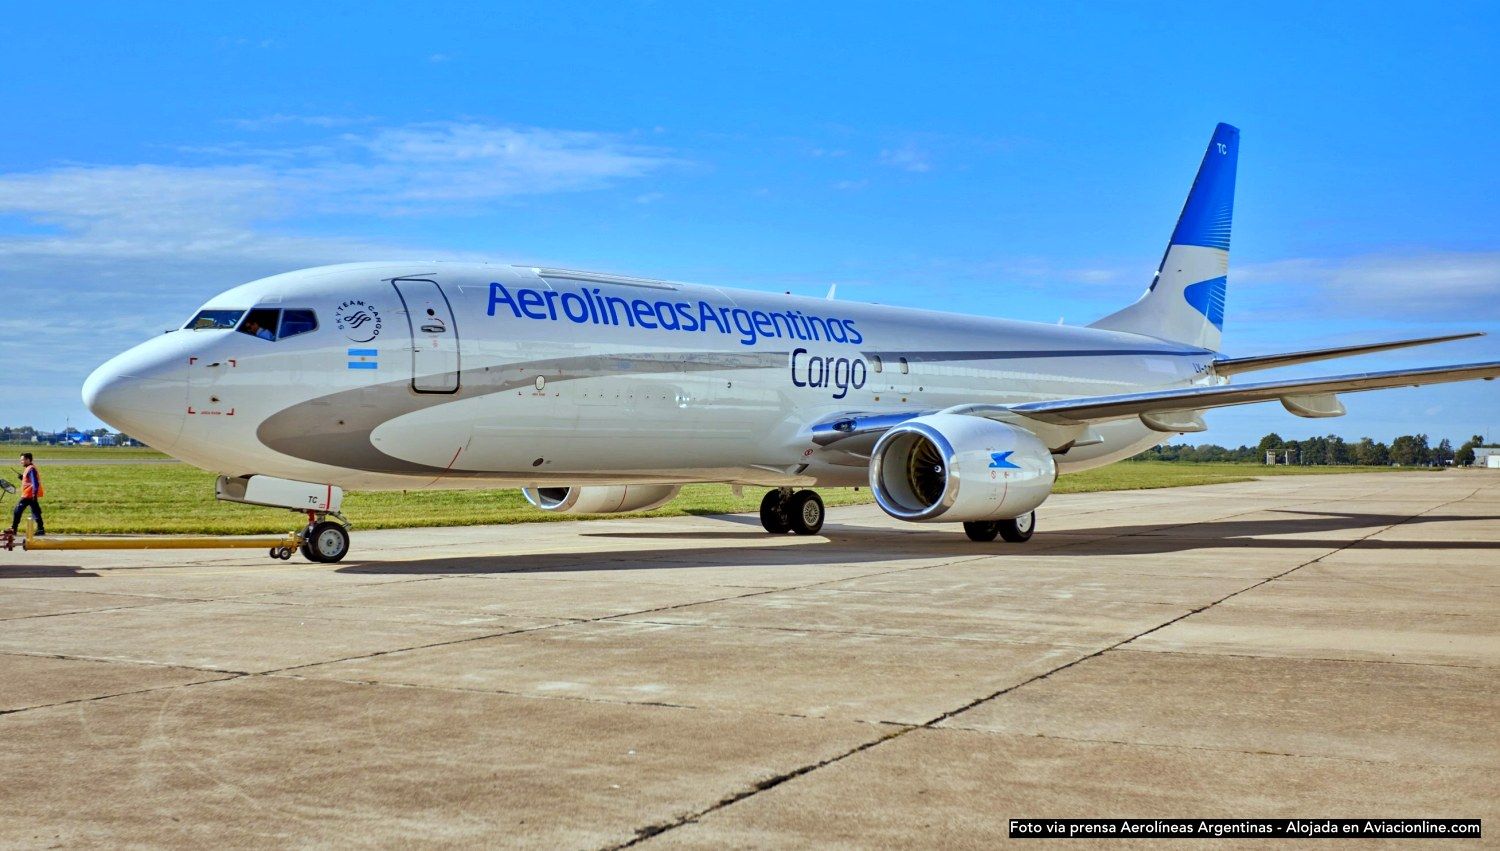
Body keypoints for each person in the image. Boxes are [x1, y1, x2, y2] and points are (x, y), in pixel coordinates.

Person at [10, 452, 44, 536]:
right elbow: (29, 482)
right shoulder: (29, 468)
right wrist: (22, 478)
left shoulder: (31, 469)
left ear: (28, 460)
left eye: (22, 460)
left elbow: (35, 483)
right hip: (31, 495)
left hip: (28, 495)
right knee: (36, 511)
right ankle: (41, 529)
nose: (21, 461)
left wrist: (33, 494)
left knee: (17, 511)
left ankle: (13, 529)